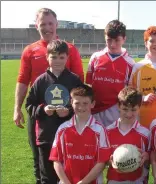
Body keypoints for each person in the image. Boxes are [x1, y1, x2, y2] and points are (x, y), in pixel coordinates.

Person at [13, 8, 84, 184]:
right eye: (42, 24)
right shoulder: (30, 51)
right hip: (40, 116)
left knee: (69, 159)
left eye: (50, 23)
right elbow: (22, 80)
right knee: (40, 158)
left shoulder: (71, 49)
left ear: (56, 24)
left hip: (66, 117)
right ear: (36, 25)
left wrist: (69, 110)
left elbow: (78, 85)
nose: (47, 27)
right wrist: (17, 109)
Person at [25, 40, 83, 184]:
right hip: (46, 138)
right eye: (53, 57)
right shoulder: (40, 81)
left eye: (61, 57)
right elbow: (29, 105)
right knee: (48, 178)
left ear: (67, 58)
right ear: (47, 57)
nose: (57, 61)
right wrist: (43, 110)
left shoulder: (74, 80)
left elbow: (82, 105)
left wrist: (69, 111)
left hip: (69, 138)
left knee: (69, 177)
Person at [50, 84, 111, 184]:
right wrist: (66, 182)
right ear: (71, 103)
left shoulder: (100, 130)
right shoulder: (62, 129)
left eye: (85, 103)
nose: (81, 107)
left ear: (93, 104)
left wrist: (83, 182)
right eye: (77, 103)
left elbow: (102, 162)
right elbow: (56, 160)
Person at [86, 20, 135, 127]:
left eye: (117, 40)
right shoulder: (95, 57)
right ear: (105, 37)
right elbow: (88, 85)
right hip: (94, 110)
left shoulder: (130, 63)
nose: (112, 45)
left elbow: (129, 91)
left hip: (116, 111)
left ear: (124, 39)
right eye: (109, 40)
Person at [106, 86, 150, 184]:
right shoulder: (108, 132)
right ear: (118, 106)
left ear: (140, 107)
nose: (129, 114)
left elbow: (151, 160)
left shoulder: (145, 134)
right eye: (125, 109)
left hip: (138, 180)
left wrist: (147, 156)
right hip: (114, 181)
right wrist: (110, 161)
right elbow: (102, 160)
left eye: (133, 110)